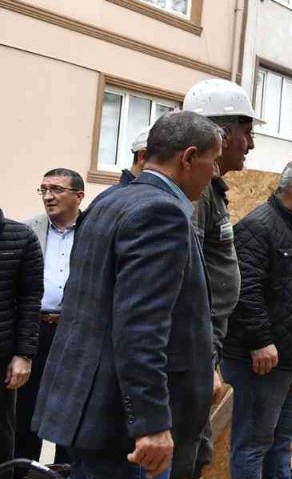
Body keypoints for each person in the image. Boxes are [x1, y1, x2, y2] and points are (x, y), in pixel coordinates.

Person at [34, 111, 223, 479]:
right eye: (212, 161)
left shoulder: (111, 200)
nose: (215, 173)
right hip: (124, 428)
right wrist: (151, 424)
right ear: (188, 157)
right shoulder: (161, 213)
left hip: (93, 413)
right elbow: (141, 327)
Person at [222, 157, 292, 479]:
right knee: (254, 443)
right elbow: (245, 290)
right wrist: (261, 341)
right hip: (265, 360)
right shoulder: (258, 227)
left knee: (283, 440)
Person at [181, 78, 261, 478]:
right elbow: (189, 283)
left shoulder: (211, 190)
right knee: (185, 454)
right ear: (224, 135)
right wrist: (203, 359)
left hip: (207, 340)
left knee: (196, 451)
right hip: (195, 344)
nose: (251, 144)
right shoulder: (195, 196)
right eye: (247, 133)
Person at [15, 169, 84, 472]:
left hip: (74, 333)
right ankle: (22, 472)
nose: (48, 196)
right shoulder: (28, 230)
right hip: (35, 330)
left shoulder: (94, 231)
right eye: (43, 189)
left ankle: (65, 473)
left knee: (70, 413)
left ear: (78, 196)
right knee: (26, 414)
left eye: (56, 189)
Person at [0, 207, 42, 473]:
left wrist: (24, 354)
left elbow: (30, 299)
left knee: (2, 438)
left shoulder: (21, 237)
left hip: (2, 357)